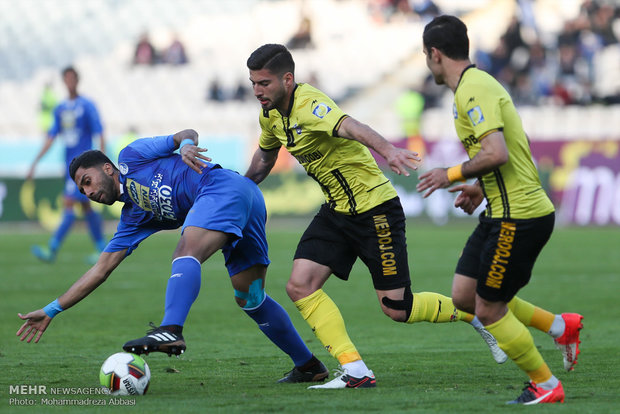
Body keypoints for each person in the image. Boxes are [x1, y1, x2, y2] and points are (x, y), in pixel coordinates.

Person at [244, 43, 514, 390]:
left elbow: (351, 126)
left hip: (375, 209)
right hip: (337, 211)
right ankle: (355, 369)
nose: (257, 91)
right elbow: (264, 161)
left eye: (264, 83)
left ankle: (473, 314)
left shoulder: (310, 104)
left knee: (397, 308)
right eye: (253, 83)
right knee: (300, 285)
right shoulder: (270, 116)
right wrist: (232, 189)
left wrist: (388, 151)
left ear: (288, 79)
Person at [16, 129, 329, 384]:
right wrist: (53, 309)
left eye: (88, 181)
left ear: (107, 168)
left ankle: (171, 330)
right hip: (243, 200)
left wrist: (188, 146)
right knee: (251, 298)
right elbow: (100, 269)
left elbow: (184, 134)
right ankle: (308, 365)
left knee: (185, 250)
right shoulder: (133, 218)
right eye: (83, 191)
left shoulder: (132, 156)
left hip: (220, 187)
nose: (88, 193)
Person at [416, 15, 583, 404]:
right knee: (464, 295)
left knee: (489, 309)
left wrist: (450, 173)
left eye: (426, 56)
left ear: (435, 54)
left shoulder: (473, 91)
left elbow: (497, 152)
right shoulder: (474, 88)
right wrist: (478, 187)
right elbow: (510, 150)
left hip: (520, 216)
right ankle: (560, 326)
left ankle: (545, 384)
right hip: (500, 209)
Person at [27, 66, 107, 265]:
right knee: (86, 207)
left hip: (85, 166)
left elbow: (99, 132)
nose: (70, 82)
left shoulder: (87, 105)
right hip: (69, 166)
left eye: (73, 78)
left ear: (77, 80)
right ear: (64, 82)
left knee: (69, 203)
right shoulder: (60, 109)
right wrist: (36, 161)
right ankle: (102, 249)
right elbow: (51, 137)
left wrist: (102, 161)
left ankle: (52, 248)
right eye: (67, 79)